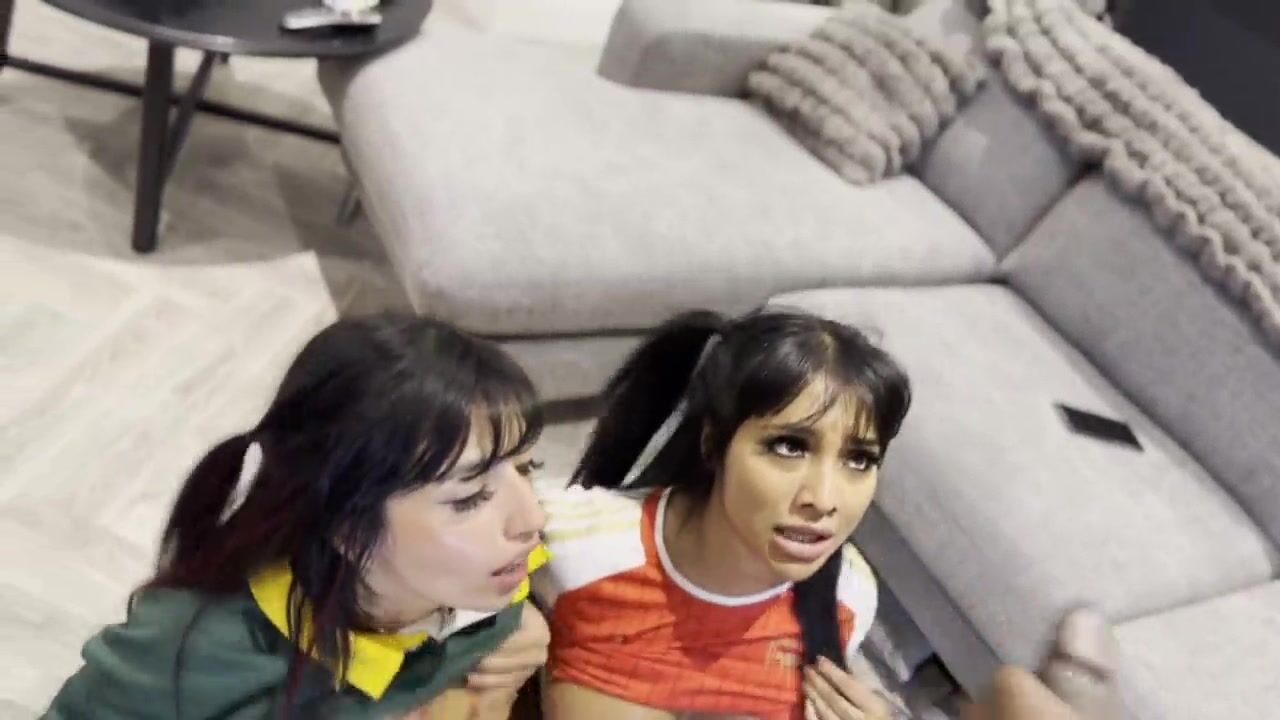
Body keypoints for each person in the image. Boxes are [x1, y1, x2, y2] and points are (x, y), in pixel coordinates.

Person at [42, 314, 553, 720]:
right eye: (470, 498)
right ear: (347, 526)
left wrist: (528, 628)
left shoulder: (495, 574)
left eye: (527, 469)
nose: (530, 519)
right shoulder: (195, 654)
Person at [531, 309, 912, 720]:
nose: (823, 499)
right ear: (713, 442)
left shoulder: (848, 595)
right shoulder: (576, 544)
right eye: (788, 446)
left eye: (859, 459)